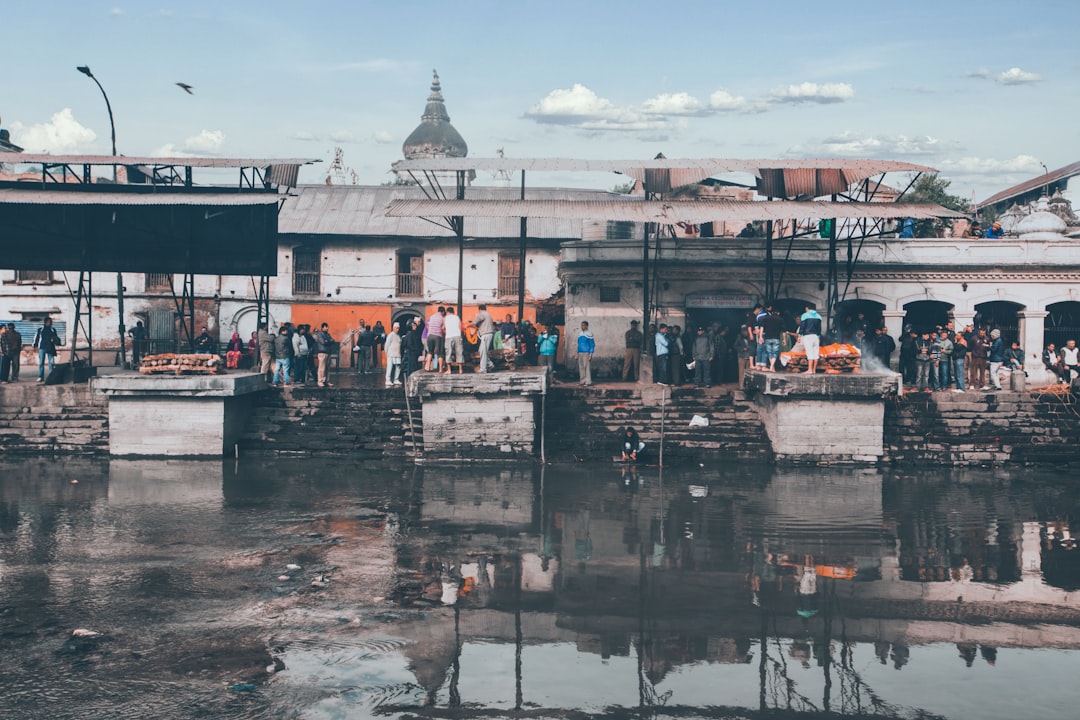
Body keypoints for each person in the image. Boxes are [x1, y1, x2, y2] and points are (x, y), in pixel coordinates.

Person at [33, 317, 61, 382]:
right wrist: (35, 345)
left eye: (51, 322)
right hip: (42, 347)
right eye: (49, 322)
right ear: (46, 322)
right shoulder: (41, 329)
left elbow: (56, 338)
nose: (51, 323)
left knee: (51, 363)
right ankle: (41, 376)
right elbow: (36, 337)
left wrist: (54, 340)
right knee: (41, 363)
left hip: (50, 348)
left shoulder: (53, 330)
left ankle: (51, 376)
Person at [798, 305, 823, 374]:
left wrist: (799, 335)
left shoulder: (805, 315)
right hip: (816, 336)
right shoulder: (818, 316)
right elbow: (819, 329)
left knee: (810, 353)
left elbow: (802, 326)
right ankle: (814, 370)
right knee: (815, 354)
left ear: (807, 308)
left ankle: (809, 370)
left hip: (808, 336)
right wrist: (819, 337)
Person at [473, 304, 495, 373]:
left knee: (483, 352)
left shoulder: (482, 314)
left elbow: (475, 322)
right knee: (482, 350)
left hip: (485, 334)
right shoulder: (489, 315)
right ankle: (490, 364)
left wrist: (468, 325)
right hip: (488, 334)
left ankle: (483, 369)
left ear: (480, 309)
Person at [314, 322, 335, 387]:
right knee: (321, 368)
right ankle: (320, 381)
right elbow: (323, 342)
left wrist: (327, 341)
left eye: (327, 327)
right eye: (326, 327)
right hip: (322, 352)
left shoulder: (328, 334)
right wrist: (329, 341)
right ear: (322, 328)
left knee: (327, 368)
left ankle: (326, 381)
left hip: (328, 352)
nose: (327, 328)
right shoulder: (320, 334)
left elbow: (333, 340)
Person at [443, 306, 463, 373]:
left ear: (447, 312)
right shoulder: (457, 317)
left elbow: (443, 328)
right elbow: (460, 327)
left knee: (448, 352)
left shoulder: (446, 318)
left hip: (449, 336)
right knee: (459, 352)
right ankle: (460, 369)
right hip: (457, 335)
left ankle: (449, 369)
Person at [425, 307, 445, 372]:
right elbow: (443, 328)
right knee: (440, 353)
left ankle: (427, 366)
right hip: (437, 336)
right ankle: (440, 369)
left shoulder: (432, 317)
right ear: (443, 312)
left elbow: (427, 326)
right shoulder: (442, 318)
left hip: (430, 335)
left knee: (430, 351)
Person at [576, 320, 594, 386]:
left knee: (587, 367)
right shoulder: (580, 333)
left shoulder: (589, 333)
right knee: (581, 367)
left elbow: (592, 344)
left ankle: (588, 382)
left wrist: (590, 354)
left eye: (583, 325)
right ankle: (582, 381)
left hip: (586, 352)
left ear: (587, 326)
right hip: (580, 352)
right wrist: (577, 353)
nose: (582, 326)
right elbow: (579, 344)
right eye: (581, 325)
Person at [384, 321, 403, 387]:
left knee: (398, 367)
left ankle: (396, 379)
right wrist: (386, 353)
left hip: (397, 354)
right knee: (390, 367)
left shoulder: (398, 335)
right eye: (397, 328)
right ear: (393, 328)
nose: (398, 329)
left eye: (398, 328)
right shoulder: (390, 335)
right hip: (391, 354)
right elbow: (387, 345)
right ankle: (388, 380)